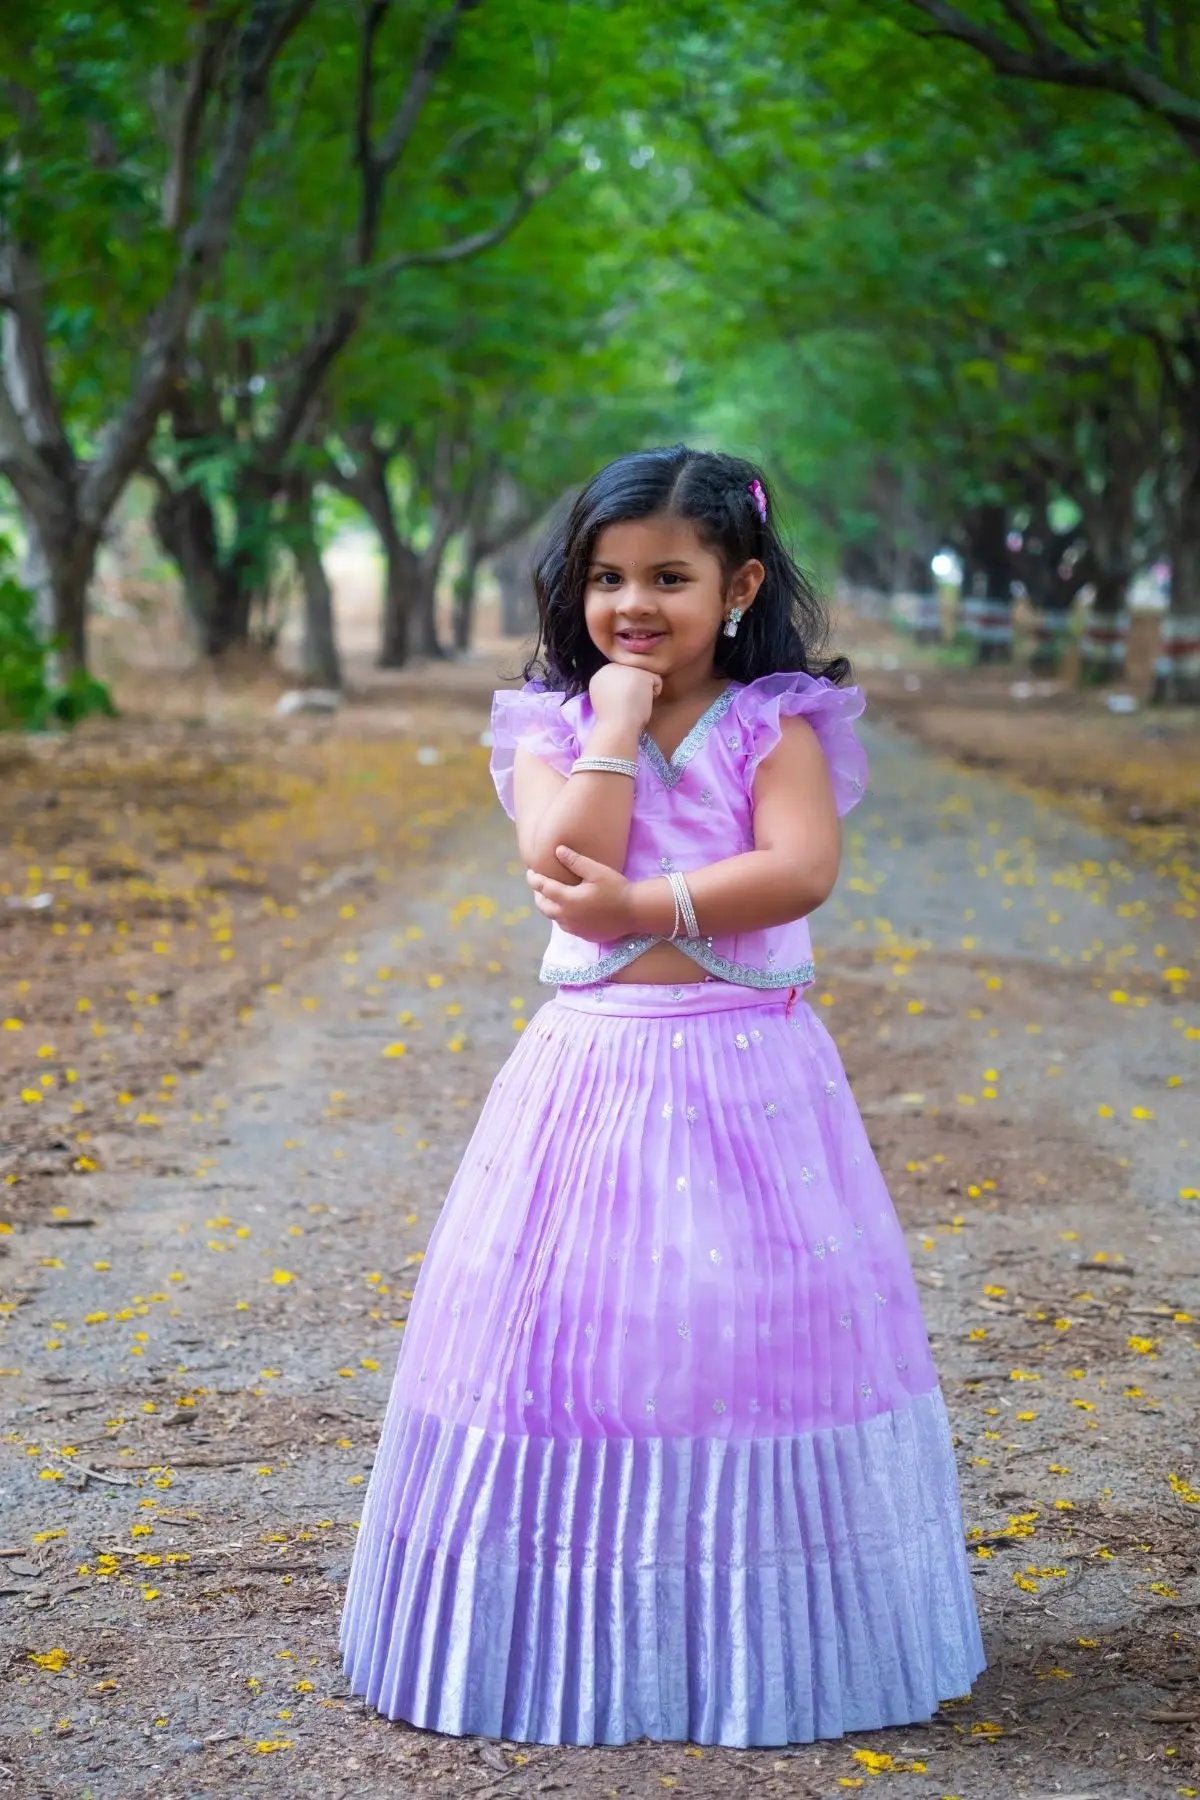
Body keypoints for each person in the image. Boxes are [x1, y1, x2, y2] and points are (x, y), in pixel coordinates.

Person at [340, 445, 986, 1747]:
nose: (635, 604)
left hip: (750, 1066)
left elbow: (799, 870)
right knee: (570, 1331)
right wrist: (620, 724)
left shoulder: (775, 724)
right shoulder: (553, 729)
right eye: (607, 577)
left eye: (671, 577)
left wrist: (652, 906)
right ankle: (568, 1613)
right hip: (594, 1066)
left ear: (738, 584)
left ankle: (751, 1613)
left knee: (746, 1329)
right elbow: (560, 851)